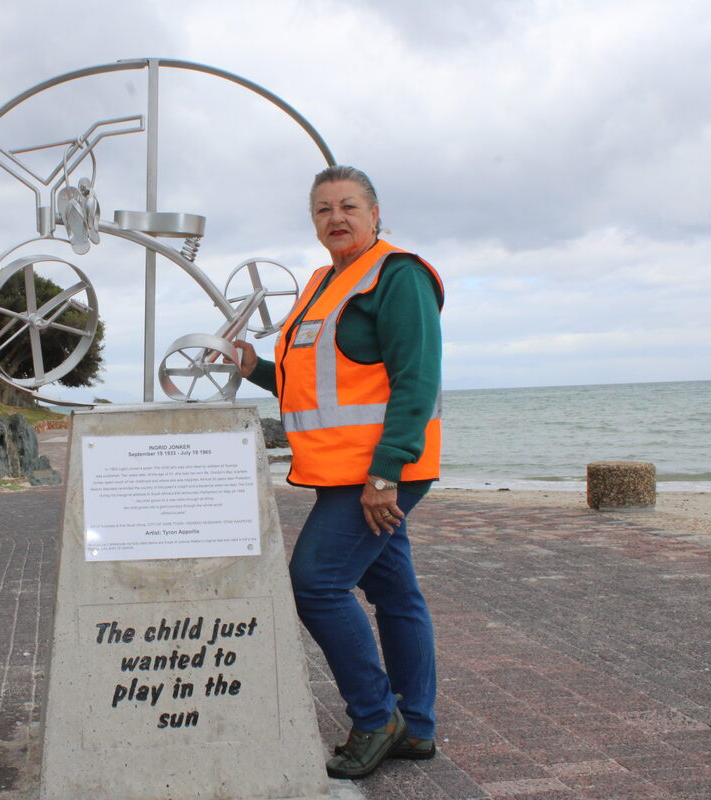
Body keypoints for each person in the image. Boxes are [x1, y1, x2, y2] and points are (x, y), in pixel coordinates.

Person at [233, 165, 443, 780]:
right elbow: (310, 385)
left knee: (316, 583)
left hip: (377, 472)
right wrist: (253, 366)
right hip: (343, 471)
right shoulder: (325, 281)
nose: (337, 218)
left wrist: (386, 475)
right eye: (323, 209)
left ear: (376, 214)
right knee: (393, 592)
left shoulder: (397, 275)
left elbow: (416, 381)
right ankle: (417, 728)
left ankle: (377, 718)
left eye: (349, 206)